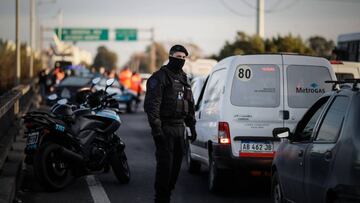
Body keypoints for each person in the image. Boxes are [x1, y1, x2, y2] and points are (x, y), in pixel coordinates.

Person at [144, 45, 197, 203]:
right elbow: (152, 106)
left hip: (179, 128)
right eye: (178, 57)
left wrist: (192, 126)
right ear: (170, 56)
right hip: (165, 128)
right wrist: (157, 131)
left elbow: (189, 103)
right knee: (165, 168)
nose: (180, 60)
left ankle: (167, 193)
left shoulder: (183, 78)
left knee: (176, 168)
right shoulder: (159, 77)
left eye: (183, 58)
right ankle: (161, 198)